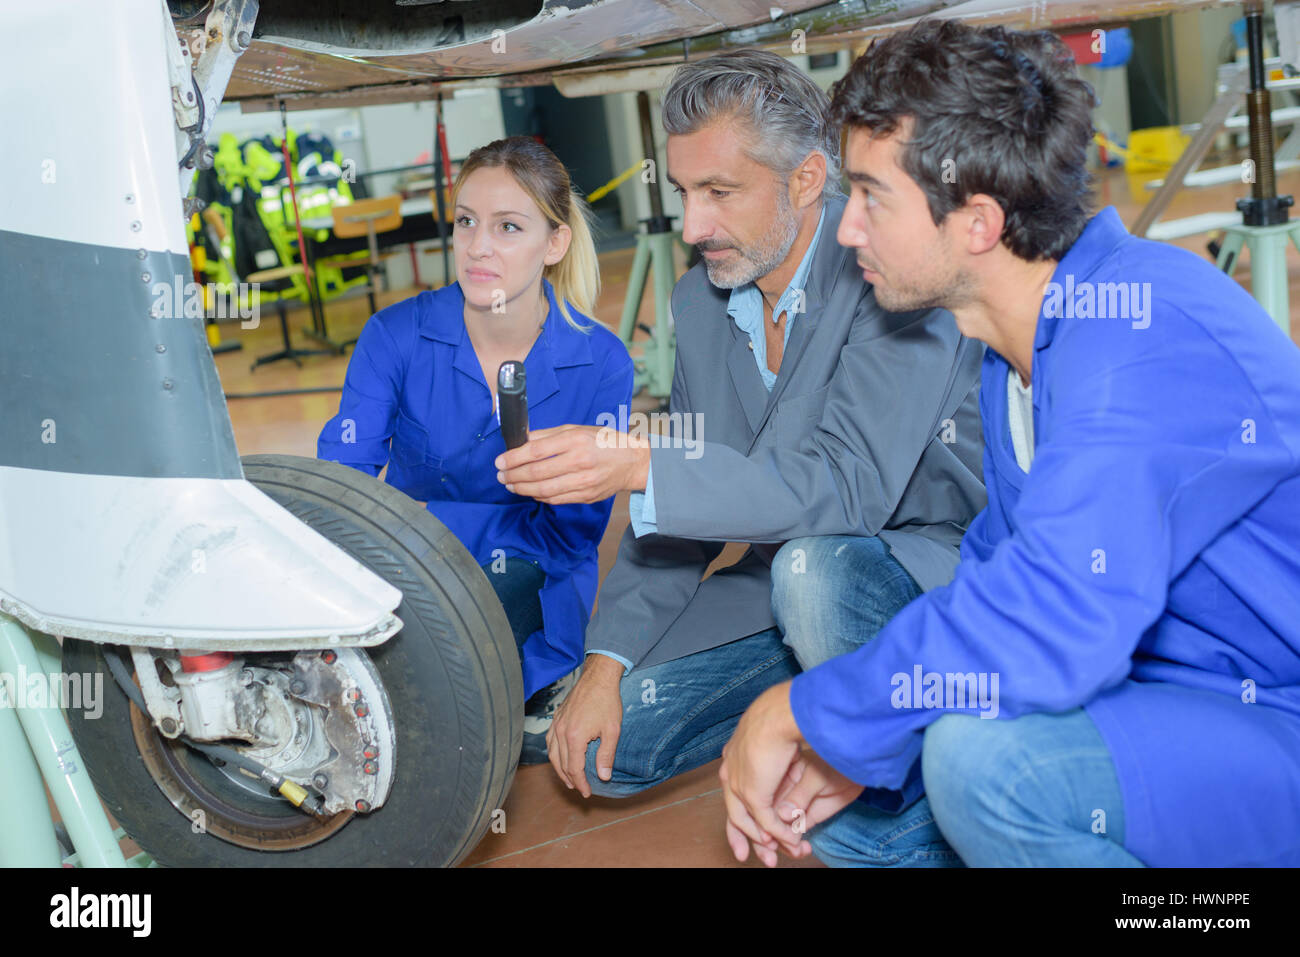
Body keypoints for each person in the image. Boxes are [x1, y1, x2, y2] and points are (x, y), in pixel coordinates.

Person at [720, 18, 1300, 868]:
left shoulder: (1143, 327)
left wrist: (809, 708)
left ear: (979, 222)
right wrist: (869, 739)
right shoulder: (1018, 350)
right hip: (1160, 695)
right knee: (840, 806)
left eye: (872, 196)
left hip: (1271, 712)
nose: (847, 230)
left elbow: (1058, 611)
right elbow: (1000, 562)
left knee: (985, 768)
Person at [495, 50, 986, 794]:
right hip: (779, 583)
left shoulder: (893, 274)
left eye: (720, 192)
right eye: (686, 190)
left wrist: (641, 465)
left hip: (924, 571)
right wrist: (604, 664)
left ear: (807, 180)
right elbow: (681, 519)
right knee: (614, 746)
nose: (693, 224)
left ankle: (912, 763)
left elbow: (847, 492)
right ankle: (811, 708)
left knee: (811, 571)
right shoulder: (699, 305)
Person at [318, 136, 634, 762]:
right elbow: (342, 492)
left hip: (527, 585)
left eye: (508, 226)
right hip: (410, 578)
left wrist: (422, 523)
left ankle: (535, 690)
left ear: (555, 243)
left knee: (466, 706)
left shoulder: (601, 363)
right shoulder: (396, 335)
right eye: (466, 222)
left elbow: (569, 535)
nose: (477, 245)